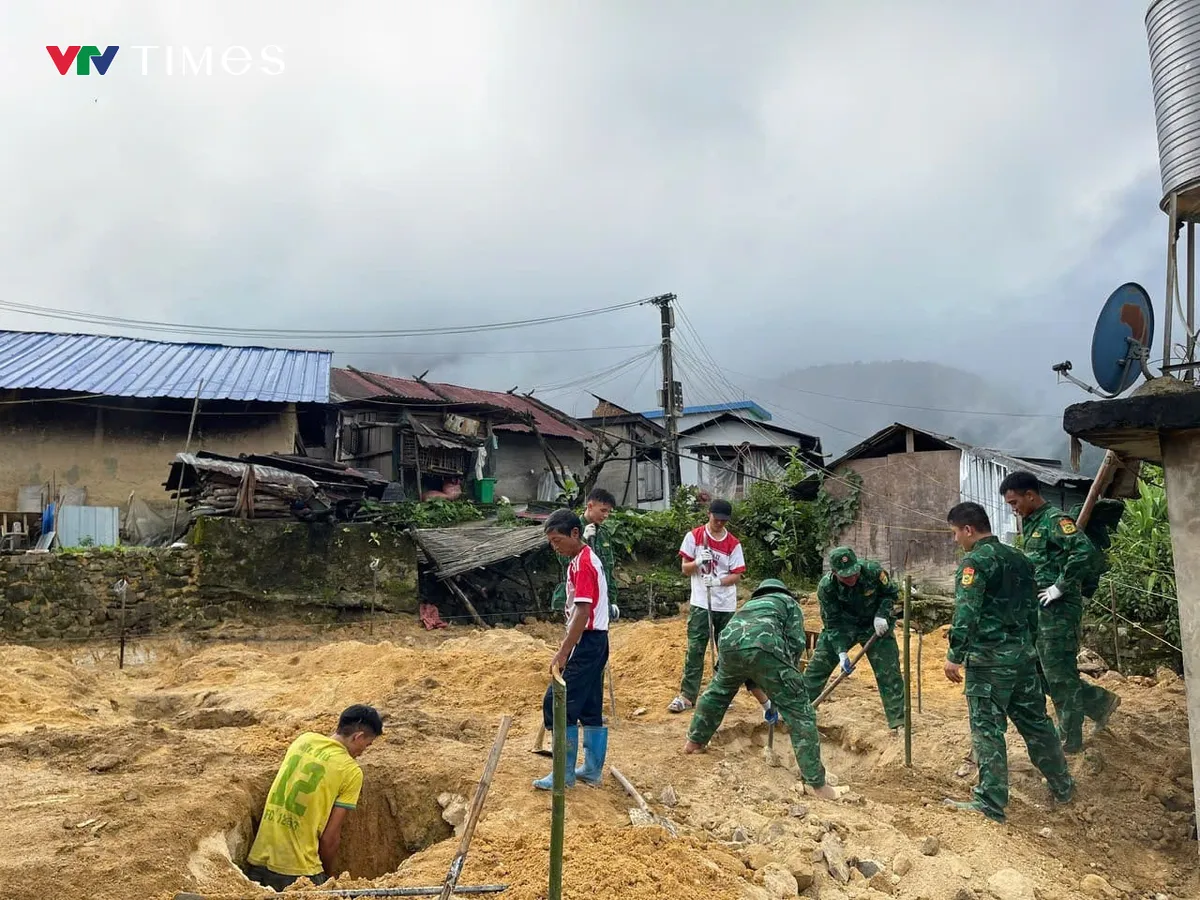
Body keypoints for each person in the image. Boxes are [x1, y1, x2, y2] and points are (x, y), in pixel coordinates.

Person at [941, 502, 1076, 822]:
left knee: (987, 729)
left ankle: (990, 801)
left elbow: (966, 612)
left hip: (989, 664)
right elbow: (1033, 610)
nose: (955, 540)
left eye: (955, 533)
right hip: (1023, 659)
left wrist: (954, 656)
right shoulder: (1021, 559)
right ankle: (1063, 787)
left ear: (968, 530)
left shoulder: (974, 563)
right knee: (1038, 726)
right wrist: (1028, 647)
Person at [684, 578, 837, 801]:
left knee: (718, 693)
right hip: (766, 645)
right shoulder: (788, 603)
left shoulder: (749, 606)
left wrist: (767, 700)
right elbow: (795, 643)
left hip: (728, 644)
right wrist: (787, 681)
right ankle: (818, 785)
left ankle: (694, 742)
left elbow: (747, 667)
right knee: (800, 712)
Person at [1000, 471, 1121, 753]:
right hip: (1040, 610)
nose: (1013, 508)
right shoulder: (1031, 522)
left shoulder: (1055, 520)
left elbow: (1084, 551)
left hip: (1059, 611)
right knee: (1040, 672)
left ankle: (1069, 740)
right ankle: (1099, 703)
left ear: (1031, 495)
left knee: (1059, 675)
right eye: (1010, 504)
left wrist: (1061, 586)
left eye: (1015, 502)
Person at [245, 705, 384, 890]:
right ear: (357, 736)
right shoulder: (351, 771)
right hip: (298, 873)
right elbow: (329, 839)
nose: (364, 751)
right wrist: (329, 880)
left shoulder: (304, 740)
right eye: (367, 744)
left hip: (256, 864)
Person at [668, 499, 779, 726]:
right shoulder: (695, 537)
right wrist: (698, 562)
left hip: (725, 605)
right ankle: (688, 696)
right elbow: (684, 568)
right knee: (696, 649)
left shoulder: (733, 544)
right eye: (715, 518)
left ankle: (720, 692)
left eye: (723, 520)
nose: (719, 523)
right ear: (708, 514)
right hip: (701, 602)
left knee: (728, 651)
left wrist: (717, 581)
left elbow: (737, 575)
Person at [534, 508, 610, 790]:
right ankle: (590, 769)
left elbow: (582, 610)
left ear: (574, 534)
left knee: (556, 702)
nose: (555, 546)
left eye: (557, 540)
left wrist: (564, 651)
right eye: (551, 542)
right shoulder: (584, 560)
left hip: (586, 641)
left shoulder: (583, 564)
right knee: (590, 703)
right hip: (597, 640)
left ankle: (563, 774)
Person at [802, 546, 904, 732]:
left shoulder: (873, 571)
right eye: (845, 576)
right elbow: (832, 623)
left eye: (854, 573)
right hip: (844, 625)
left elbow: (891, 593)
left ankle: (898, 722)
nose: (851, 578)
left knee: (889, 671)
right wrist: (841, 652)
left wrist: (882, 614)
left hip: (874, 625)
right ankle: (799, 713)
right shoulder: (826, 588)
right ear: (834, 573)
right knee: (817, 667)